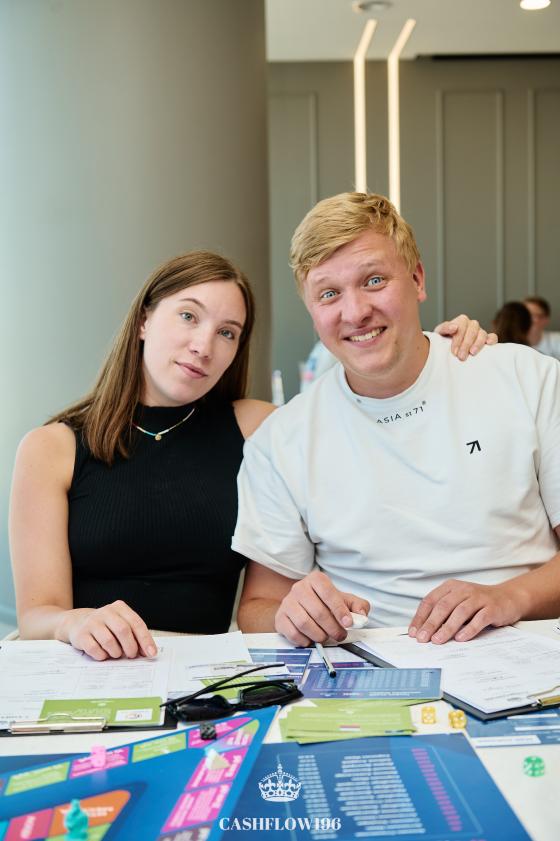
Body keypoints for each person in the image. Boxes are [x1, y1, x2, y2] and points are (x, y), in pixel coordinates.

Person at [9, 249, 491, 660]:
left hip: (205, 678)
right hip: (87, 671)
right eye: (188, 316)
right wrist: (74, 623)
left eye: (227, 333)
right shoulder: (52, 447)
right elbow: (37, 615)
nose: (203, 346)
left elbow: (368, 413)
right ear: (144, 320)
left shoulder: (257, 427)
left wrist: (445, 354)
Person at [234, 192, 560, 648]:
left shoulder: (528, 379)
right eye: (329, 293)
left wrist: (509, 598)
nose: (355, 312)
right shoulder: (282, 440)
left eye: (373, 280)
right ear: (311, 309)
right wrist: (292, 614)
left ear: (417, 279)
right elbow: (259, 605)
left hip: (526, 652)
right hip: (368, 665)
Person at [524, 296, 560, 360]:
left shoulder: (557, 340)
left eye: (537, 315)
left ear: (546, 319)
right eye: (526, 315)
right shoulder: (511, 342)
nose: (532, 319)